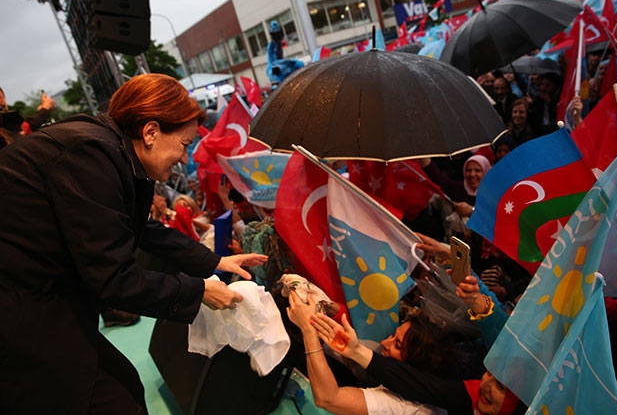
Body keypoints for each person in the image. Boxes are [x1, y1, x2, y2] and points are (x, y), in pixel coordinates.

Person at [0, 73, 268, 415]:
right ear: (151, 132)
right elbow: (113, 278)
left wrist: (212, 262)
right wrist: (200, 291)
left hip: (41, 299)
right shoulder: (91, 155)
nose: (185, 159)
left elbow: (141, 229)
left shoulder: (114, 151)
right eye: (185, 145)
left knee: (121, 388)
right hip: (21, 310)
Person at [308, 276, 526, 415]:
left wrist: (308, 330)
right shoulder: (467, 393)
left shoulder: (408, 405)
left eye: (501, 387)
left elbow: (328, 397)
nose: (485, 386)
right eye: (489, 373)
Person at [287, 290, 456, 415]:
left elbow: (328, 398)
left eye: (397, 345)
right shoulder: (423, 385)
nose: (384, 343)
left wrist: (308, 330)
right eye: (392, 335)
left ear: (416, 365)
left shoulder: (403, 406)